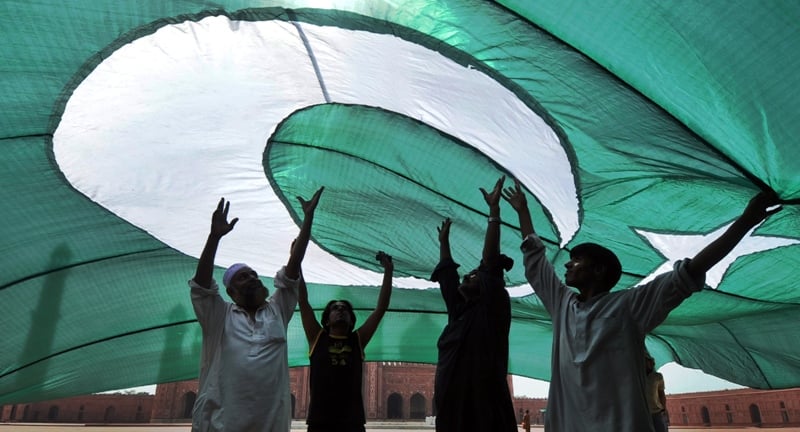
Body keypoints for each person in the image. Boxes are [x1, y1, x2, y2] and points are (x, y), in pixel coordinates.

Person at [502, 180, 781, 432]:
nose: (567, 263)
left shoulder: (630, 306)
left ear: (598, 270)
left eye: (577, 260)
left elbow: (693, 269)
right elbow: (536, 262)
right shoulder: (563, 305)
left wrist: (746, 221)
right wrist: (522, 211)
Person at [189, 187, 324, 432]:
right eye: (242, 277)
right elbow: (201, 285)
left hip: (270, 425)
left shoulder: (277, 311)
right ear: (230, 291)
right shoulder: (219, 317)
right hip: (219, 425)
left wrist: (308, 220)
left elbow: (294, 266)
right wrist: (214, 238)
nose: (252, 278)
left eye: (253, 274)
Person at [433, 177, 518, 432]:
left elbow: (490, 262)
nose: (466, 276)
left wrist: (494, 212)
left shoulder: (492, 310)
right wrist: (444, 244)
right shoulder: (459, 315)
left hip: (484, 410)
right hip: (452, 411)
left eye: (473, 274)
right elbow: (448, 278)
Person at [297, 251, 395, 432]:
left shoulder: (358, 340)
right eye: (335, 308)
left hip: (352, 422)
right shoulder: (317, 338)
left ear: (351, 320)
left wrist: (388, 272)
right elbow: (303, 301)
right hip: (320, 421)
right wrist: (297, 259)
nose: (340, 310)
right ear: (326, 320)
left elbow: (380, 309)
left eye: (345, 309)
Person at [646, 353, 668, 432]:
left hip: (656, 412)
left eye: (648, 361)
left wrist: (664, 409)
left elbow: (661, 393)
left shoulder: (657, 376)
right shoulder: (638, 377)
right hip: (643, 412)